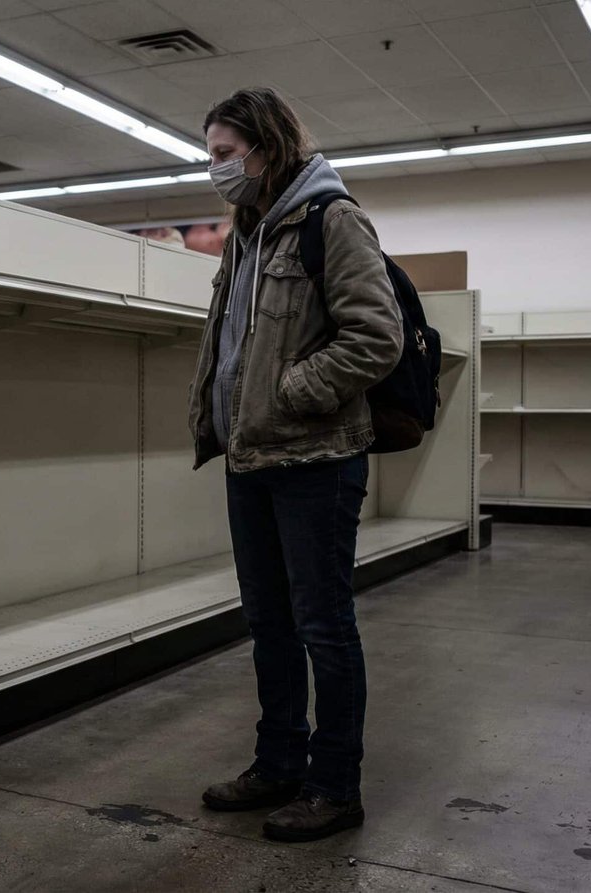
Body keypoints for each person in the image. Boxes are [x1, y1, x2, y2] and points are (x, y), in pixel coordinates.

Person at [187, 87, 403, 842]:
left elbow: (377, 336)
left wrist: (291, 392)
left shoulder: (331, 220)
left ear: (265, 146)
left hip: (314, 456)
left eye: (223, 154)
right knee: (269, 622)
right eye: (208, 154)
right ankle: (278, 763)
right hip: (249, 458)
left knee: (323, 624)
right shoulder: (249, 231)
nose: (215, 168)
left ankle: (335, 786)